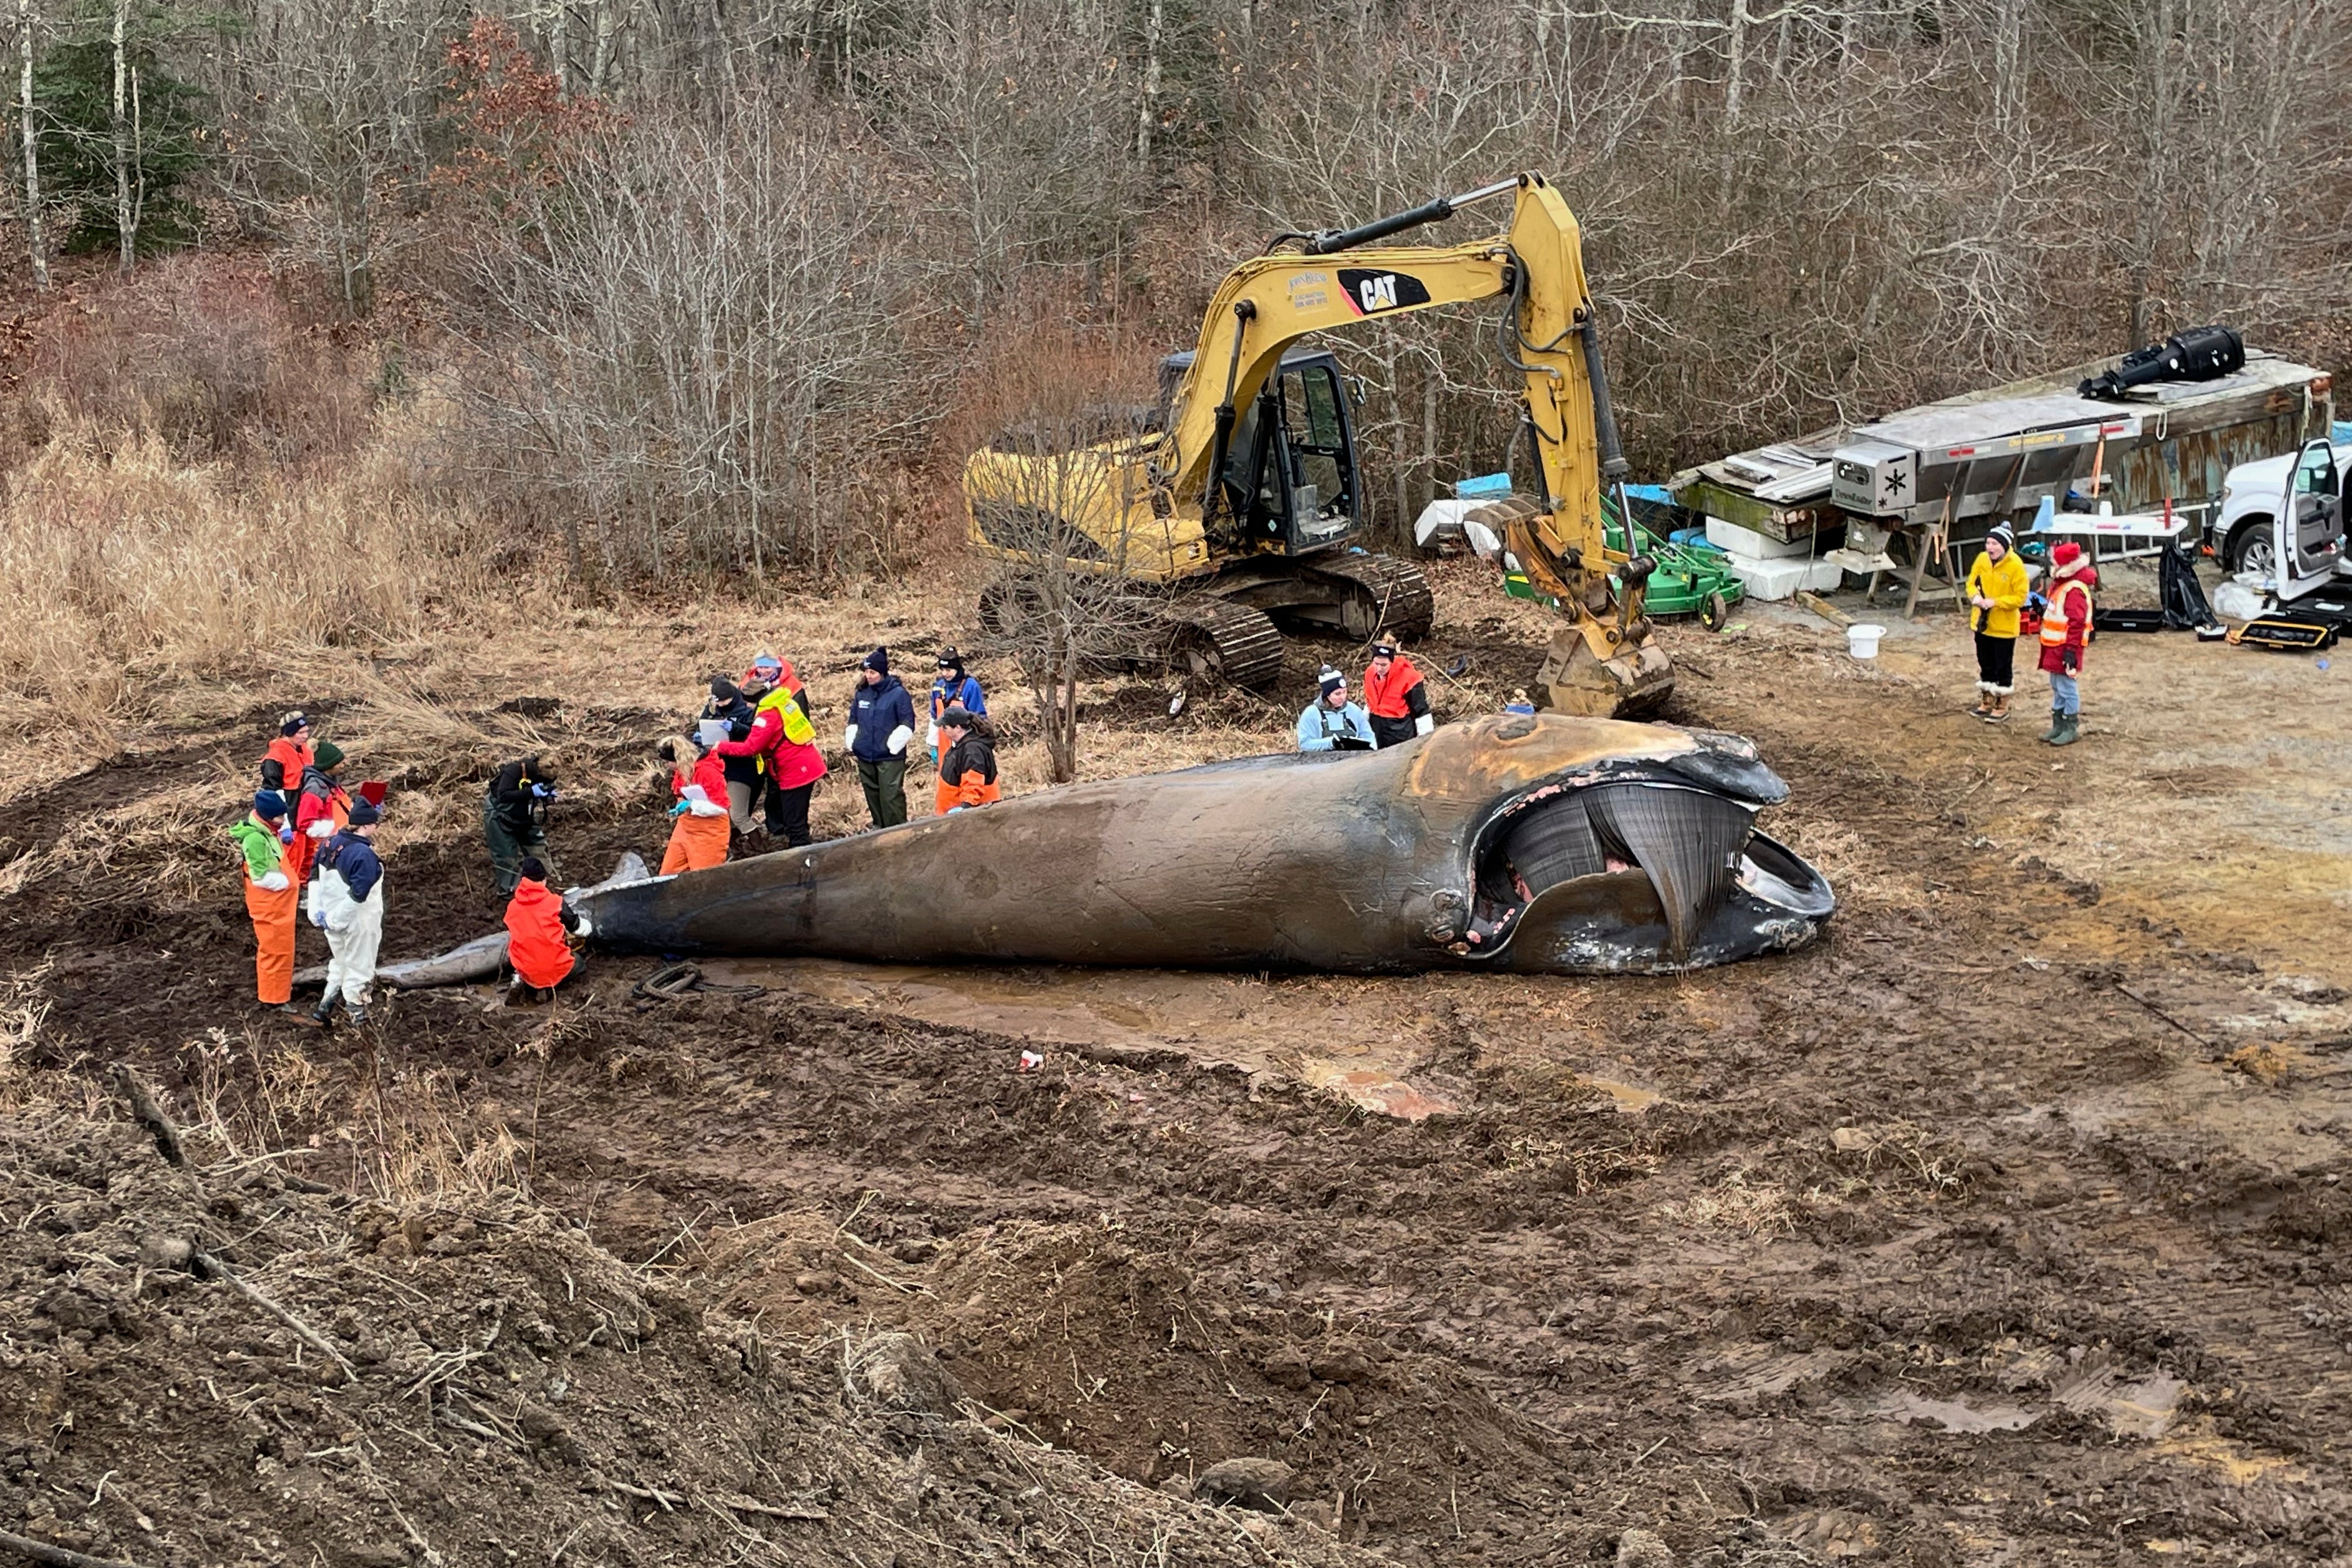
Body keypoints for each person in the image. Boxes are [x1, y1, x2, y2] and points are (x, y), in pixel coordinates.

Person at [717, 667, 828, 846]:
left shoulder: (767, 716)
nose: (746, 708)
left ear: (753, 702)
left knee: (794, 824)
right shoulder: (783, 702)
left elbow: (751, 747)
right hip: (807, 765)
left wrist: (720, 746)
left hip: (795, 772)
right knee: (797, 818)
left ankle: (804, 861)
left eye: (747, 704)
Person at [304, 797, 385, 1029]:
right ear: (367, 826)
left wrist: (319, 913)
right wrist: (339, 918)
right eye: (375, 823)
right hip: (359, 921)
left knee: (340, 963)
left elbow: (315, 877)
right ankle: (358, 1020)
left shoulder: (328, 844)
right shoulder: (363, 855)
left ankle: (324, 1008)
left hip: (330, 918)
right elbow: (359, 894)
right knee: (360, 968)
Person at [227, 791, 298, 1010]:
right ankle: (274, 999)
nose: (283, 821)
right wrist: (287, 884)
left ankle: (279, 993)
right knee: (275, 951)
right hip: (271, 905)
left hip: (279, 905)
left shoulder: (267, 831)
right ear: (268, 817)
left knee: (282, 949)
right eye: (279, 818)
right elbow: (261, 877)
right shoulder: (255, 839)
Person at [1964, 523, 2031, 722]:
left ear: (2005, 545)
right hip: (1982, 623)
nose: (1990, 547)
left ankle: (2002, 704)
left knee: (2003, 666)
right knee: (1985, 663)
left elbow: (2020, 597)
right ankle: (1987, 700)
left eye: (1994, 543)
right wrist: (1975, 598)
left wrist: (1996, 602)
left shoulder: (2016, 565)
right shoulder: (1982, 559)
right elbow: (1971, 582)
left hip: (2004, 627)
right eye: (1988, 543)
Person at [844, 647, 917, 828]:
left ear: (882, 673)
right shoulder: (862, 693)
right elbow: (853, 719)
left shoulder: (898, 694)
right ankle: (879, 828)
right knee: (873, 796)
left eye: (873, 672)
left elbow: (907, 722)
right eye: (866, 672)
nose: (868, 676)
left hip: (889, 757)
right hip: (865, 755)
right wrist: (854, 742)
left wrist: (892, 746)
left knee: (891, 797)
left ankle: (897, 832)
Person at [2038, 540, 2098, 747]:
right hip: (2056, 646)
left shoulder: (2073, 589)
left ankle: (2070, 726)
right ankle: (2059, 725)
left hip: (2065, 647)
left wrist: (2071, 651)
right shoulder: (2064, 585)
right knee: (2057, 685)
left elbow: (2077, 622)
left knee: (2066, 687)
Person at [503, 855, 579, 1003]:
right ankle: (548, 988)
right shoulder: (555, 902)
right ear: (544, 880)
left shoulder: (512, 906)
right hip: (553, 965)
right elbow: (576, 926)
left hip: (525, 966)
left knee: (526, 960)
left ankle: (522, 980)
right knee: (578, 964)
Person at [483, 753, 560, 895]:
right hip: (500, 815)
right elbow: (503, 796)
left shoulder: (547, 775)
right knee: (506, 854)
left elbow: (541, 793)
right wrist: (531, 792)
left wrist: (549, 795)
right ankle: (509, 891)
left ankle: (550, 882)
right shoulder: (514, 771)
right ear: (538, 772)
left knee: (538, 846)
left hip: (525, 816)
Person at [658, 732, 733, 874]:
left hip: (709, 832)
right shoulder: (683, 770)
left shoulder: (708, 772)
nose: (666, 765)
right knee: (669, 873)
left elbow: (721, 808)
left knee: (703, 878)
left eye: (667, 762)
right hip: (685, 827)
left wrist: (691, 805)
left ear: (678, 759)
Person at [702, 676, 763, 838]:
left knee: (738, 815)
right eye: (719, 702)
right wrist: (700, 735)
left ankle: (759, 849)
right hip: (719, 766)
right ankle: (736, 849)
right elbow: (702, 722)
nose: (722, 705)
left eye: (725, 701)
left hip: (741, 768)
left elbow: (754, 736)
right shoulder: (712, 708)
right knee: (723, 816)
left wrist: (735, 727)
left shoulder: (746, 707)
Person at [289, 740, 351, 886]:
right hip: (324, 851)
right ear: (328, 766)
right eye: (339, 763)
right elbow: (305, 824)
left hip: (339, 844)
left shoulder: (331, 783)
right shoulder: (315, 789)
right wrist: (336, 831)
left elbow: (342, 808)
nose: (344, 765)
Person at [1363, 639, 1434, 749]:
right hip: (1377, 732)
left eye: (1384, 665)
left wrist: (1426, 743)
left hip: (1400, 735)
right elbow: (1370, 703)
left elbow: (1422, 712)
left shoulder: (1409, 678)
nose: (1379, 669)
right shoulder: (1370, 673)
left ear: (1392, 662)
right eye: (1376, 663)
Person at [934, 705, 1002, 814]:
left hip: (972, 817)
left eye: (945, 727)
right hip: (950, 815)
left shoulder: (972, 750)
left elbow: (974, 782)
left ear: (958, 728)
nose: (943, 730)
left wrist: (966, 807)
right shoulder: (960, 746)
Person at [1297, 665, 1376, 752]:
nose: (1343, 697)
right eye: (1337, 694)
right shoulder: (1311, 714)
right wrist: (1332, 743)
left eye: (1344, 692)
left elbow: (1370, 739)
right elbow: (1305, 745)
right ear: (1327, 695)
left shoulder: (1354, 711)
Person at [928, 649, 987, 759]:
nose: (945, 674)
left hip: (964, 747)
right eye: (942, 670)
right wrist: (933, 744)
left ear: (957, 668)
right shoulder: (938, 687)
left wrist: (976, 746)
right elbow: (934, 716)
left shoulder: (971, 687)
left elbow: (979, 718)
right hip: (943, 746)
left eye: (949, 670)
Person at [258, 712, 313, 818]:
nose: (306, 736)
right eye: (301, 733)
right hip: (291, 809)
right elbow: (273, 791)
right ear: (289, 733)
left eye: (306, 732)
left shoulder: (306, 750)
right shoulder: (274, 757)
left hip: (307, 803)